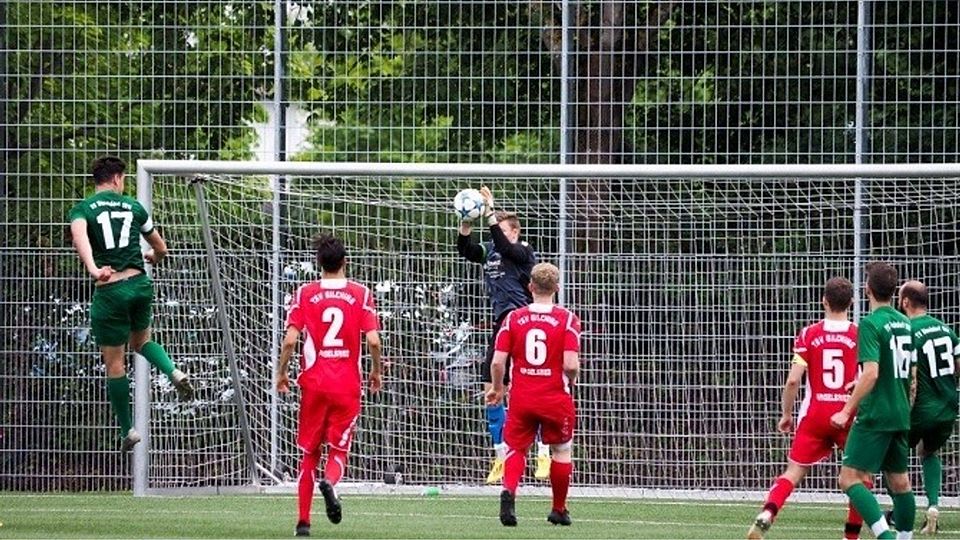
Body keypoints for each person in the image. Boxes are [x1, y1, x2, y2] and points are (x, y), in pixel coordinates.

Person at [68, 155, 194, 453]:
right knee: (142, 341)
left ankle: (128, 429)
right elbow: (161, 247)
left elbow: (79, 236)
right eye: (123, 179)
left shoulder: (83, 209)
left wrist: (94, 269)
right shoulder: (134, 207)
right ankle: (173, 371)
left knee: (115, 363)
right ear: (115, 178)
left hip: (110, 290)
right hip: (139, 285)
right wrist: (155, 257)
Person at [276, 233, 383, 537]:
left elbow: (290, 341)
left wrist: (282, 373)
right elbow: (373, 340)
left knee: (309, 453)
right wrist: (376, 371)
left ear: (318, 263)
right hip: (346, 384)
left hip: (314, 383)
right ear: (345, 262)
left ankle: (303, 522)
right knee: (339, 449)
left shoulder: (305, 293)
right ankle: (331, 484)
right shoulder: (360, 294)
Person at [747, 277, 866, 540]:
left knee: (793, 473)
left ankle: (768, 512)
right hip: (848, 412)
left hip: (815, 413)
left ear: (823, 300)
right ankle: (851, 537)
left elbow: (793, 380)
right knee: (861, 477)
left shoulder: (809, 334)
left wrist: (787, 414)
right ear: (852, 302)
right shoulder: (859, 333)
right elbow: (866, 375)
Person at [456, 186, 549, 483]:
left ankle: (543, 453)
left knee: (530, 392)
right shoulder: (491, 252)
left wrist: (491, 213)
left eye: (502, 229)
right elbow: (467, 251)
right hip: (501, 326)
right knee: (492, 391)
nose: (497, 234)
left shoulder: (523, 252)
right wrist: (466, 223)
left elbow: (506, 248)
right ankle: (501, 457)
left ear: (514, 232)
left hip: (522, 323)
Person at [486, 262, 581, 527]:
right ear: (557, 288)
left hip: (522, 397)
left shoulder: (513, 318)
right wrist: (570, 380)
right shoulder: (567, 319)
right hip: (554, 397)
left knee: (516, 446)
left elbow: (497, 362)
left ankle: (509, 491)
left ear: (530, 287)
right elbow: (571, 364)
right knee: (561, 450)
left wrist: (496, 387)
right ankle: (559, 509)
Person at [833, 262, 916, 540]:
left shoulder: (869, 324)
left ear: (867, 289)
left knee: (849, 478)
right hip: (901, 411)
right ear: (894, 292)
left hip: (876, 414)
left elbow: (871, 372)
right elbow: (906, 372)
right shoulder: (904, 322)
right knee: (899, 482)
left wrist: (846, 410)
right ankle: (904, 538)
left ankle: (886, 537)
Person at [899, 280, 959, 535]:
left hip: (921, 407)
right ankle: (933, 506)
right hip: (948, 405)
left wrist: (906, 407)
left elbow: (910, 377)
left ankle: (902, 511)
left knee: (895, 458)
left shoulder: (908, 330)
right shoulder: (946, 329)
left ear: (905, 302)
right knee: (929, 451)